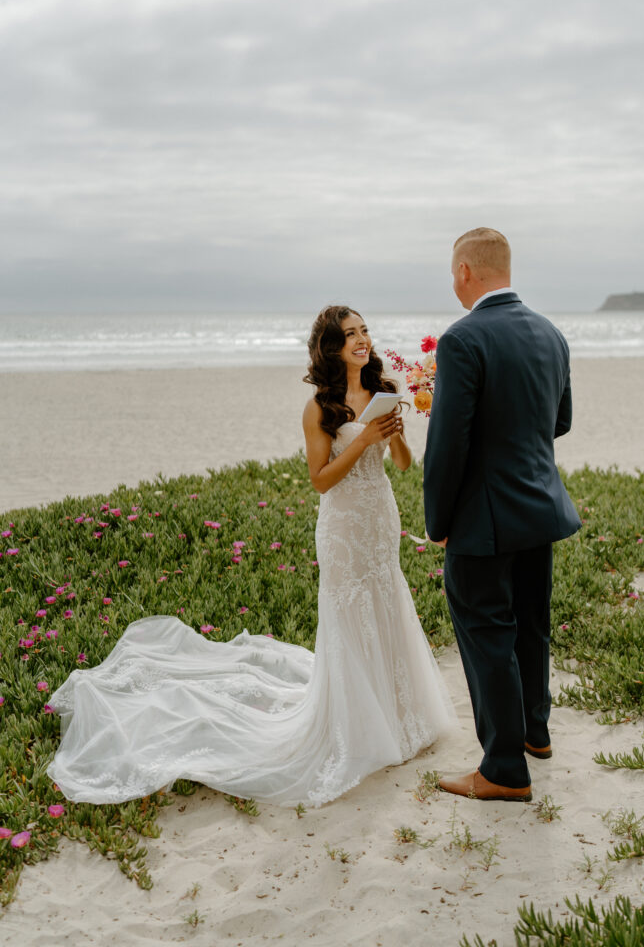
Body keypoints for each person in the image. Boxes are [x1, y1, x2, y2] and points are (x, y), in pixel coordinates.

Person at [46, 306, 453, 807]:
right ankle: (357, 725)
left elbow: (404, 465)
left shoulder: (383, 387)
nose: (362, 340)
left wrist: (395, 438)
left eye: (364, 331)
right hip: (344, 526)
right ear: (331, 346)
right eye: (350, 334)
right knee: (351, 614)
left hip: (379, 519)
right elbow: (320, 481)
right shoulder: (319, 408)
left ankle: (397, 713)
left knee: (386, 602)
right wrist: (363, 438)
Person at [423, 228, 581, 803]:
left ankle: (504, 769)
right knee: (531, 623)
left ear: (465, 271)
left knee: (488, 634)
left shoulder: (462, 340)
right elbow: (559, 422)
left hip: (484, 520)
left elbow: (447, 449)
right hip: (540, 508)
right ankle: (535, 733)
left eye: (452, 272)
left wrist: (437, 522)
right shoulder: (551, 333)